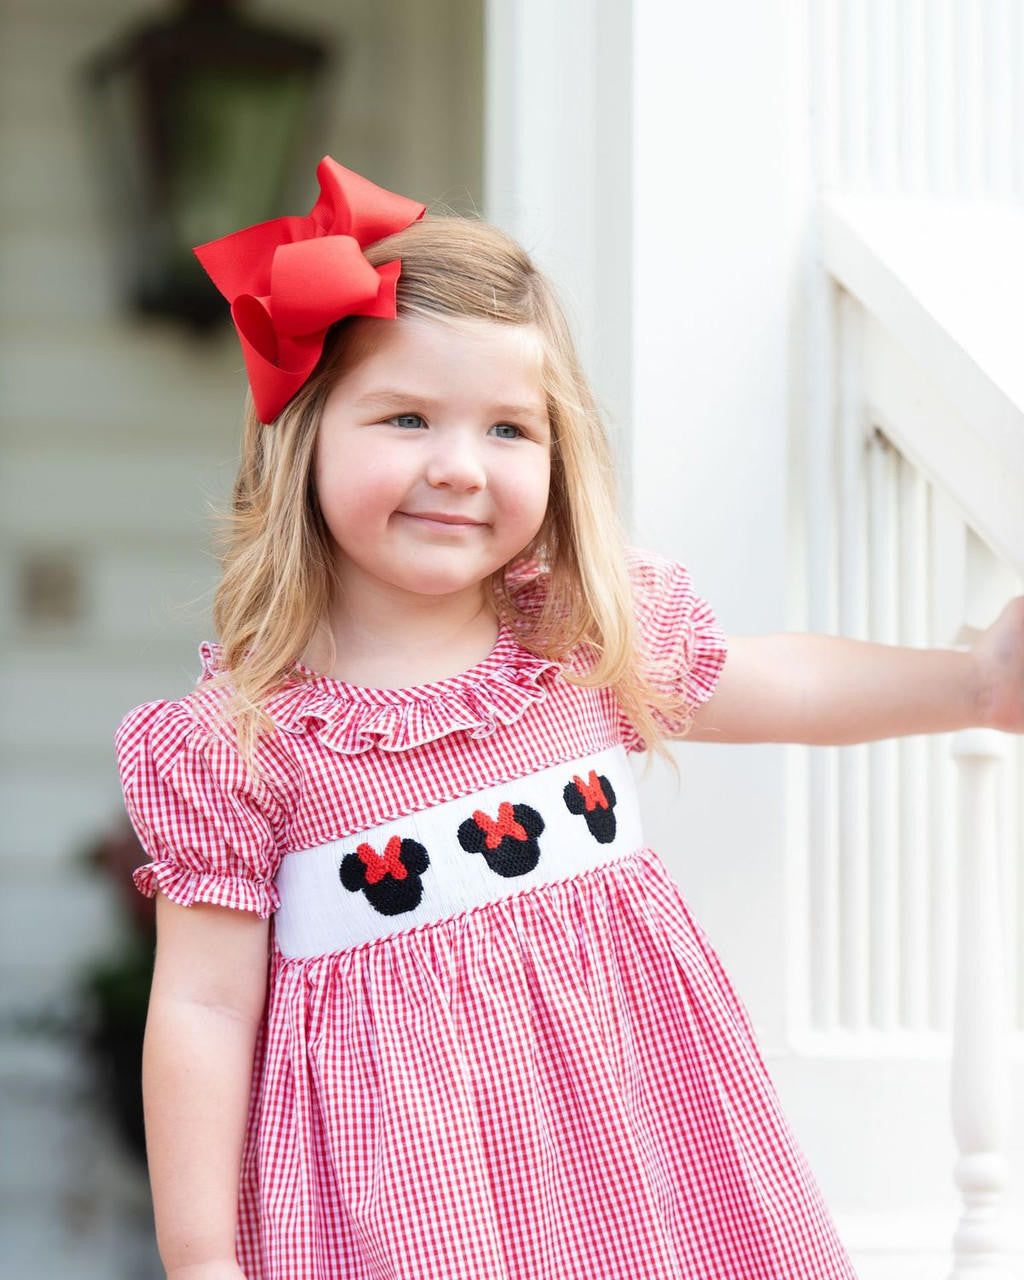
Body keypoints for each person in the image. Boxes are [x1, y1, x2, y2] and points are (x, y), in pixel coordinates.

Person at [113, 157, 1024, 1280]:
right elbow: (201, 1006)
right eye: (405, 416)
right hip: (402, 1190)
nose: (458, 466)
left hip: (636, 1146)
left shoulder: (575, 635)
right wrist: (202, 1258)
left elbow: (772, 682)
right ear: (303, 437)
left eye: (509, 429)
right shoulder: (240, 742)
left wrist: (974, 682)